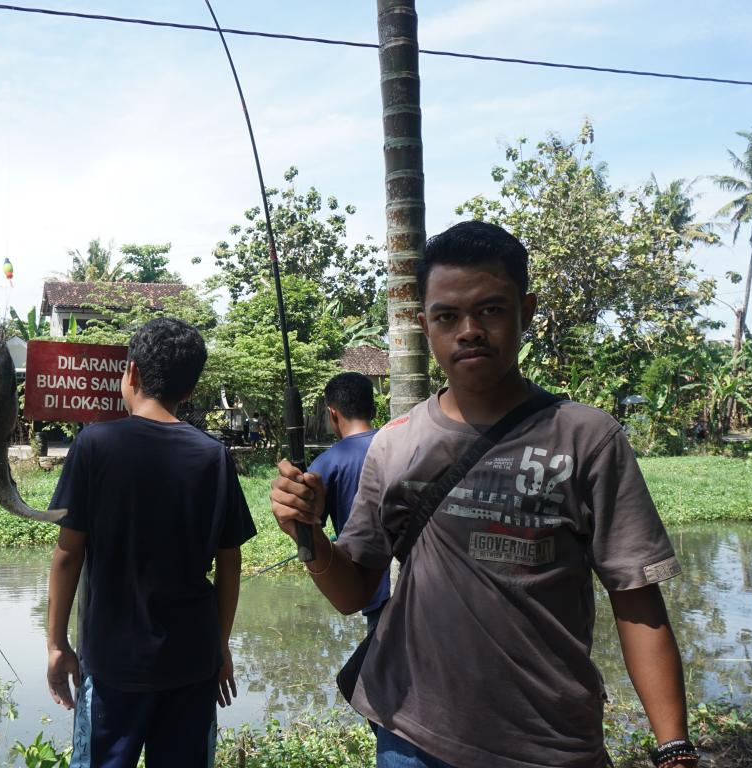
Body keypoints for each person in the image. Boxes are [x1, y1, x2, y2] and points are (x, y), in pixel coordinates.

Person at [271, 221, 700, 768]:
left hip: (552, 744)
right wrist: (308, 537)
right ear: (425, 325)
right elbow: (354, 590)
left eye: (491, 310)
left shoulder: (587, 438)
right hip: (412, 736)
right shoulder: (395, 444)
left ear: (527, 310)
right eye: (448, 316)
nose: (468, 330)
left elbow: (636, 597)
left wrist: (674, 748)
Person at [45, 317, 257, 768]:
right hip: (192, 659)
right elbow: (230, 562)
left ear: (133, 373)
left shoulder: (94, 444)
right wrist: (220, 645)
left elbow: (68, 554)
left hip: (112, 664)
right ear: (190, 389)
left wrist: (56, 642)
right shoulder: (212, 455)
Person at [308, 372, 388, 630]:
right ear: (373, 410)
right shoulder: (400, 445)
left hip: (368, 588)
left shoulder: (324, 465)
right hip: (417, 585)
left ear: (332, 414)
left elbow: (312, 531)